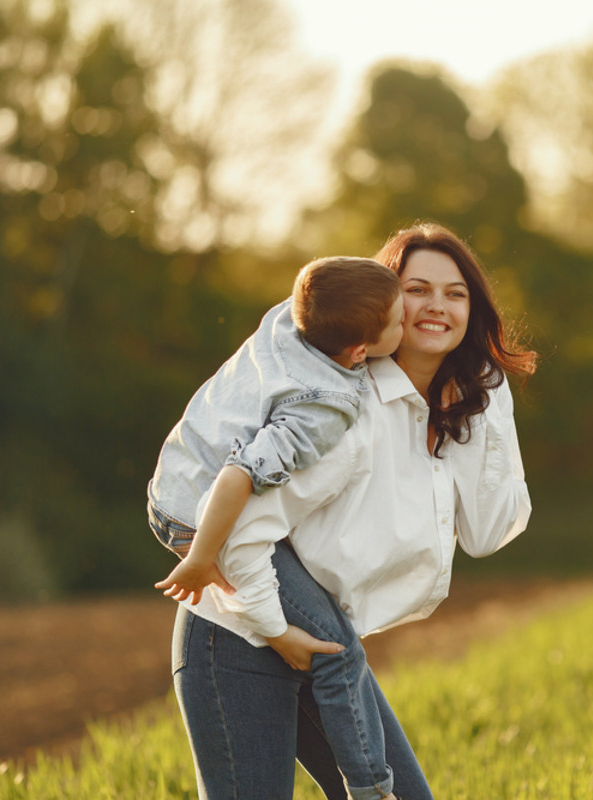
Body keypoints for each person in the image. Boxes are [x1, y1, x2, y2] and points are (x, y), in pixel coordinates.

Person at [171, 222, 537, 800]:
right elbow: (244, 524)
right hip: (240, 631)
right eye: (417, 289)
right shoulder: (340, 406)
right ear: (384, 302)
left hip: (329, 650)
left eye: (456, 293)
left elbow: (488, 532)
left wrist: (487, 400)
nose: (437, 305)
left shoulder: (458, 411)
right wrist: (274, 627)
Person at [147, 255, 407, 799]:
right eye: (400, 321)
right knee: (337, 651)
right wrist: (204, 560)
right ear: (359, 351)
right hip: (199, 515)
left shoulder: (296, 316)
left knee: (337, 645)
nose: (407, 326)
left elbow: (334, 288)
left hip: (173, 478)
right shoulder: (322, 407)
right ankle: (372, 790)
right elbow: (240, 476)